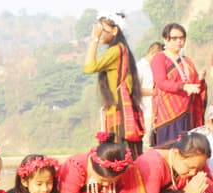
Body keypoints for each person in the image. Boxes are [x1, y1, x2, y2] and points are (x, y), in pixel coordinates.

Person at [83, 12, 145, 156]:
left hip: (119, 113)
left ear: (115, 30)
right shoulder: (123, 49)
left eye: (103, 31)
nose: (101, 34)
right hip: (120, 111)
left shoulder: (116, 50)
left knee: (118, 158)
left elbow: (89, 67)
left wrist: (94, 39)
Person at [151, 23, 207, 146]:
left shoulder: (187, 61)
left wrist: (201, 81)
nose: (179, 41)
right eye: (175, 38)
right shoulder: (159, 58)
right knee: (170, 151)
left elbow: (195, 87)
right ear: (165, 39)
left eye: (182, 38)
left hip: (187, 112)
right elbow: (161, 83)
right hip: (168, 115)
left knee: (187, 151)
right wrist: (184, 87)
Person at [137, 42, 164, 147]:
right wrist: (154, 92)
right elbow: (135, 90)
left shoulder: (155, 66)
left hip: (158, 111)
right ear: (153, 53)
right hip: (146, 111)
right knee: (147, 142)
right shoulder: (140, 67)